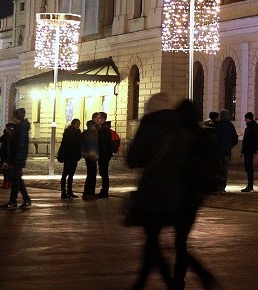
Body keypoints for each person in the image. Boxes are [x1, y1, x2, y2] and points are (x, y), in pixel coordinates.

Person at [127, 93, 218, 290]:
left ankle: (171, 283)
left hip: (154, 195)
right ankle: (181, 280)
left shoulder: (151, 123)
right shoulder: (187, 130)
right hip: (183, 197)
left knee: (153, 241)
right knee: (177, 243)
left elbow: (133, 159)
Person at [0, 108, 32, 210]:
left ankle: (13, 201)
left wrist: (12, 160)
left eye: (13, 116)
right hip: (18, 157)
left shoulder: (20, 129)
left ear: (16, 117)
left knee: (15, 180)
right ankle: (26, 199)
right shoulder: (20, 128)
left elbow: (17, 146)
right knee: (17, 179)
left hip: (17, 158)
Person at [57, 118, 82, 199]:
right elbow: (64, 144)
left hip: (74, 156)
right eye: (77, 124)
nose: (78, 125)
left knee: (71, 174)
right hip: (68, 156)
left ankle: (69, 191)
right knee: (65, 174)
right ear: (73, 124)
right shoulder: (68, 132)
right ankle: (63, 192)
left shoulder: (78, 133)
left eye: (79, 124)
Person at [214, 109, 238, 192]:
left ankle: (217, 185)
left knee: (218, 168)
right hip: (227, 151)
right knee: (225, 169)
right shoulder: (230, 126)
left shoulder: (218, 125)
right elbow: (235, 139)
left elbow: (215, 138)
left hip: (218, 151)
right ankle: (223, 186)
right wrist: (230, 146)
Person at [81, 120, 99, 199]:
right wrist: (92, 154)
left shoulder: (88, 132)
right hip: (91, 156)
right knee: (92, 175)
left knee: (90, 175)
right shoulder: (92, 132)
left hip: (88, 156)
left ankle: (87, 193)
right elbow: (91, 144)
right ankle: (90, 193)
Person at [240, 112, 258, 192]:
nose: (244, 120)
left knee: (249, 168)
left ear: (249, 118)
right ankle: (249, 184)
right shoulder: (250, 127)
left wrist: (254, 151)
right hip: (247, 150)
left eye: (245, 118)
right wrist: (242, 151)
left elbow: (253, 140)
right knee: (247, 167)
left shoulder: (252, 127)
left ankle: (250, 185)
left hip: (249, 150)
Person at [95, 111, 112, 198]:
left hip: (103, 154)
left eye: (99, 118)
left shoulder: (104, 129)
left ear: (103, 119)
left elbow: (103, 143)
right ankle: (104, 190)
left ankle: (104, 191)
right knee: (103, 173)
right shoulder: (104, 128)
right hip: (104, 154)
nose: (97, 119)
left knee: (104, 173)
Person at [0, 123, 14, 189]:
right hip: (11, 155)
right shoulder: (14, 135)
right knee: (9, 170)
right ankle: (9, 184)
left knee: (5, 170)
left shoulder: (5, 135)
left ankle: (5, 184)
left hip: (4, 154)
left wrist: (4, 133)